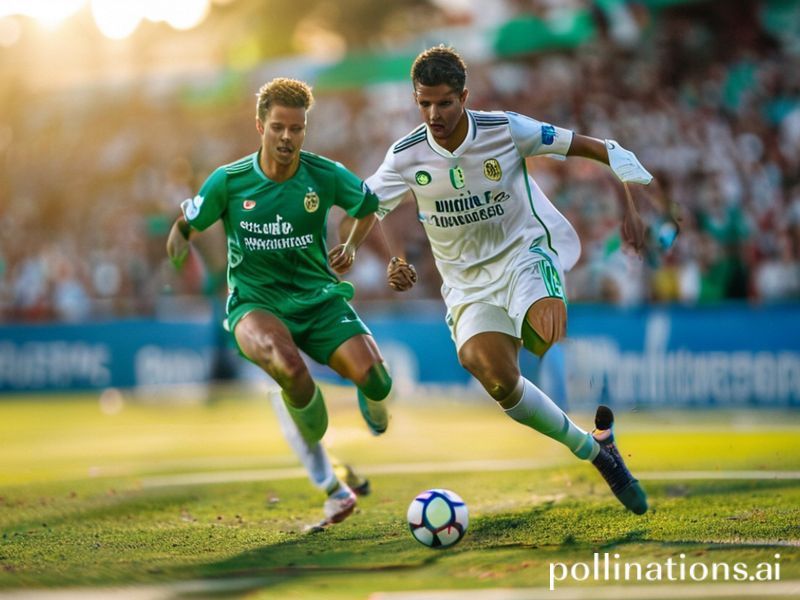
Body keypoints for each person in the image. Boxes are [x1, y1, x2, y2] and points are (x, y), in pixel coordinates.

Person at [334, 46, 679, 515]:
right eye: (424, 103)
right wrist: (375, 253)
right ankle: (596, 450)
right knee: (496, 378)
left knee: (544, 329)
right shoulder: (405, 155)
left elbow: (589, 146)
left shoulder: (505, 129)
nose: (434, 114)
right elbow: (363, 208)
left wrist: (632, 185)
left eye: (444, 103)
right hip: (466, 284)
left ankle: (540, 335)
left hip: (524, 254)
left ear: (464, 97)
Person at [166, 77, 392, 526]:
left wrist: (351, 246)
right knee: (289, 368)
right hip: (255, 304)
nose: (287, 137)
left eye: (296, 128)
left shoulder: (324, 174)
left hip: (318, 298)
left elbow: (368, 207)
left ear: (305, 129)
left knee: (378, 381)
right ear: (260, 126)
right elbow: (181, 231)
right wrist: (181, 266)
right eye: (278, 127)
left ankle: (362, 413)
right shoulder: (229, 181)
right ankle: (328, 477)